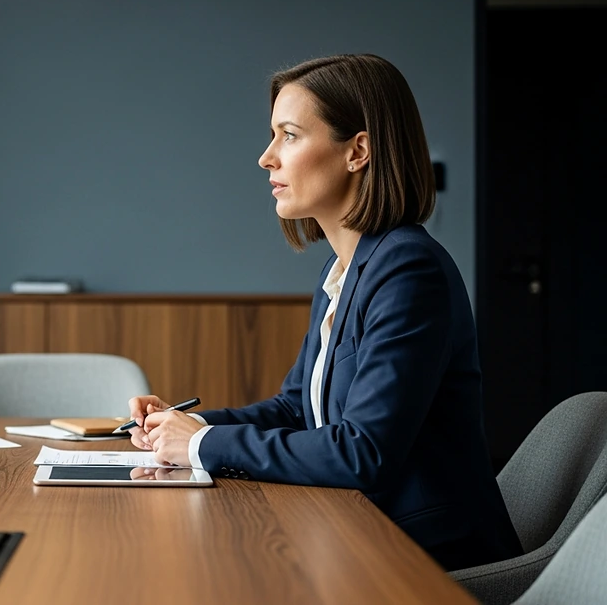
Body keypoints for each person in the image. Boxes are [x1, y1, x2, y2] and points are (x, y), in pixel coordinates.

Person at [127, 54, 523, 571]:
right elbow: (298, 408)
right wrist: (185, 424)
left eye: (289, 135)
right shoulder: (345, 268)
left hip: (424, 558)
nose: (267, 158)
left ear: (358, 150)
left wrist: (203, 443)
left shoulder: (408, 268)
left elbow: (363, 453)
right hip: (357, 531)